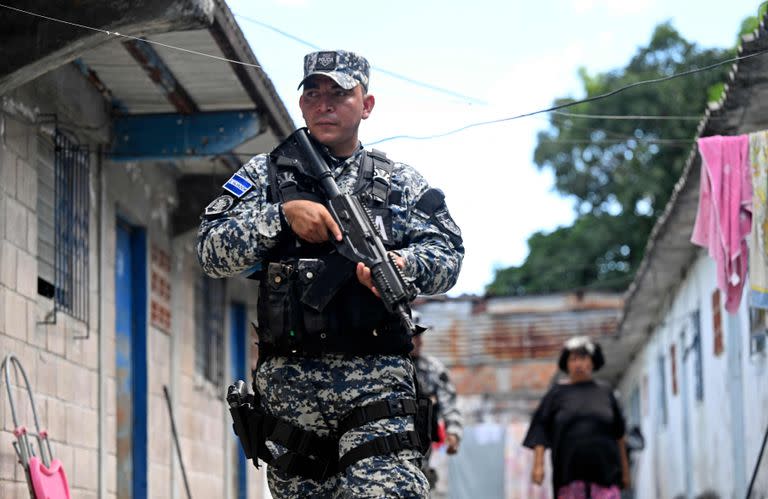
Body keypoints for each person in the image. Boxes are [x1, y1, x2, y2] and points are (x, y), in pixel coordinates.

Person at [198, 50, 464, 498]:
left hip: (377, 384)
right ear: (301, 104)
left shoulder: (399, 183)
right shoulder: (265, 176)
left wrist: (401, 266)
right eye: (314, 93)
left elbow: (448, 255)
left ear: (367, 105)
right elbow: (209, 250)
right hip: (292, 400)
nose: (325, 103)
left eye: (340, 93)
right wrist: (280, 217)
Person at [522, 336, 630, 499]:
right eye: (573, 359)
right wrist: (538, 465)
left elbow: (619, 436)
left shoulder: (606, 392)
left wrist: (625, 472)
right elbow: (540, 428)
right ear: (567, 364)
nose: (578, 364)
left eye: (583, 358)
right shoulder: (556, 394)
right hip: (569, 476)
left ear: (592, 362)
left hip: (606, 475)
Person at [410, 325, 463, 489]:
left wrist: (453, 432)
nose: (419, 341)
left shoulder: (433, 368)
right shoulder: (387, 366)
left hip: (423, 451)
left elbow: (449, 401)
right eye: (413, 336)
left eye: (420, 336)